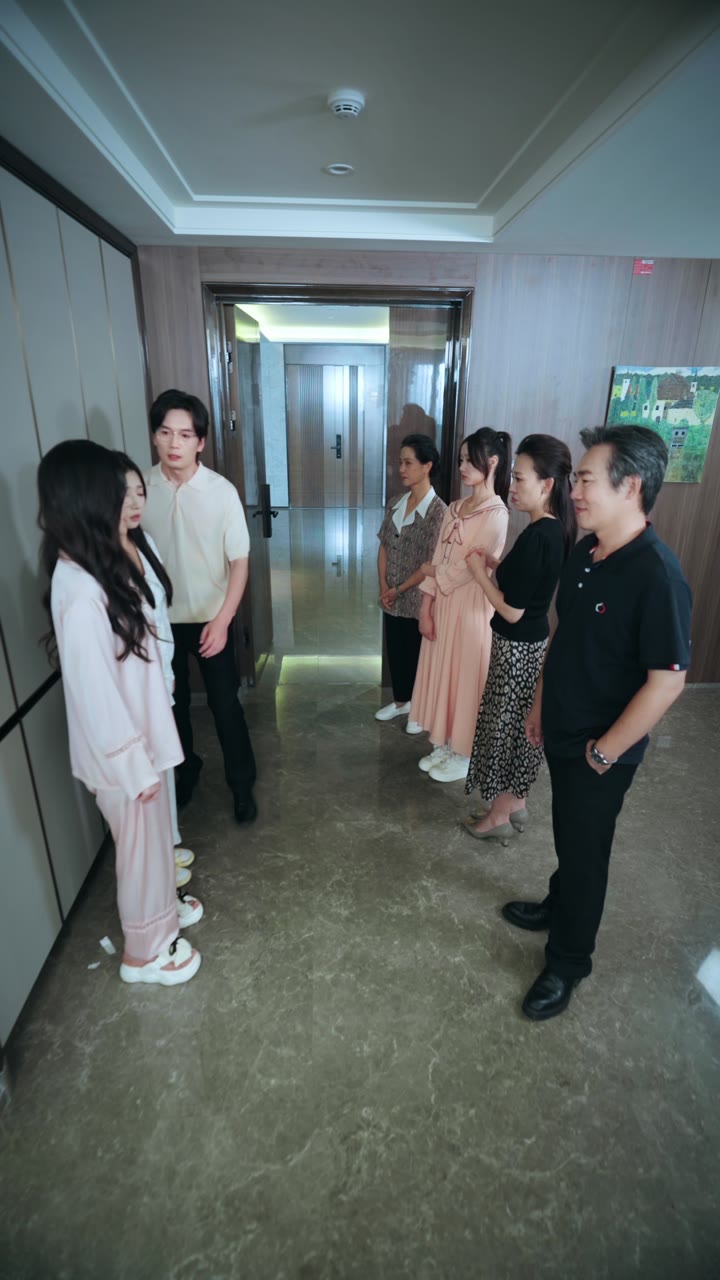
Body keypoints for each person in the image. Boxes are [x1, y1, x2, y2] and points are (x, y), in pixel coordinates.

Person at [505, 426, 692, 1021]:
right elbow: (566, 636)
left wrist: (605, 751)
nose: (574, 491)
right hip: (562, 728)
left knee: (587, 852)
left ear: (629, 486)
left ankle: (568, 962)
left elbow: (667, 681)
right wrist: (540, 701)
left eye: (586, 479)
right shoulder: (586, 553)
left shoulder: (657, 575)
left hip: (601, 749)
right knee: (569, 833)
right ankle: (558, 905)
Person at [38, 440, 203, 986]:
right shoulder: (78, 586)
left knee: (154, 847)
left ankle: (162, 919)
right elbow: (95, 695)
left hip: (141, 739)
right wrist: (133, 766)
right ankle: (144, 953)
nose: (128, 502)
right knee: (138, 853)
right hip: (122, 754)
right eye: (116, 492)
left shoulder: (96, 565)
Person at [142, 389, 257, 824]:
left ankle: (242, 785)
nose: (174, 443)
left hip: (212, 618)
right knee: (172, 707)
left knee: (225, 706)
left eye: (185, 434)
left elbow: (239, 561)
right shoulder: (140, 489)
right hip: (160, 624)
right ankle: (186, 770)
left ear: (201, 442)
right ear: (155, 436)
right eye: (165, 432)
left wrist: (224, 620)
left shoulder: (221, 492)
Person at [462, 435, 577, 843]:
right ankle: (515, 804)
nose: (512, 486)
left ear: (547, 484)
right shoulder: (551, 530)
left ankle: (498, 816)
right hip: (529, 644)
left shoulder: (539, 536)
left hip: (516, 649)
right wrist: (496, 566)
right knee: (519, 729)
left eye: (520, 478)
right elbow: (528, 586)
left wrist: (479, 575)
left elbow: (512, 610)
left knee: (507, 730)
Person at [410, 428, 510, 782]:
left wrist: (432, 571)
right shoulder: (454, 507)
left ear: (492, 463)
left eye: (470, 461)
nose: (463, 467)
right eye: (461, 460)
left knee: (466, 679)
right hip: (442, 604)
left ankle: (464, 752)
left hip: (470, 608)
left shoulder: (497, 513)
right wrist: (426, 606)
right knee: (442, 674)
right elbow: (441, 557)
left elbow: (470, 568)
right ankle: (444, 741)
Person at [116, 453, 197, 887]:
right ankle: (157, 875)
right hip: (132, 693)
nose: (134, 503)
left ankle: (167, 844)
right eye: (123, 494)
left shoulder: (143, 542)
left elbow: (159, 616)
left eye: (139, 492)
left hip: (157, 680)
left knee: (161, 772)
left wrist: (166, 673)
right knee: (143, 784)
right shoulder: (100, 562)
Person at [376, 435, 447, 730]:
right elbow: (384, 546)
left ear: (427, 466)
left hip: (417, 597)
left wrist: (399, 589)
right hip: (391, 595)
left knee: (417, 654)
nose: (401, 469)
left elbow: (430, 563)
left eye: (408, 463)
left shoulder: (438, 512)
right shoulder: (396, 503)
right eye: (400, 462)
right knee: (395, 650)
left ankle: (419, 708)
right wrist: (384, 586)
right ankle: (401, 702)